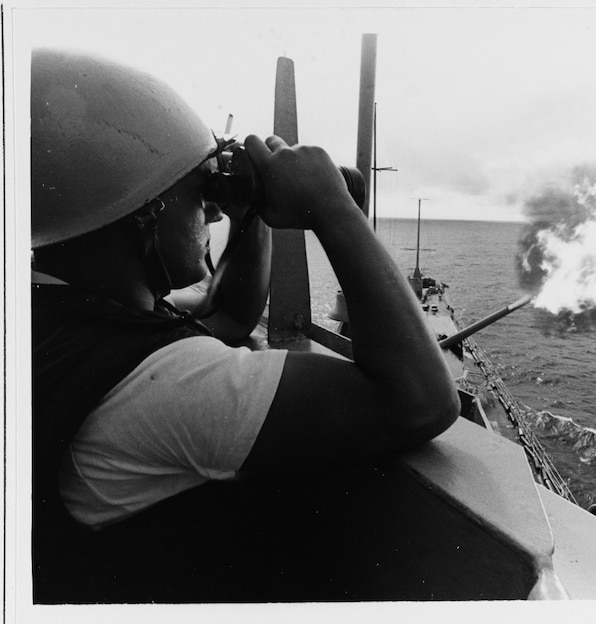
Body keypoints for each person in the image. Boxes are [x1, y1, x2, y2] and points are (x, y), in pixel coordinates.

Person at [30, 48, 460, 602]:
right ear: (144, 214)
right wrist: (332, 207)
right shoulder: (165, 387)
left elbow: (225, 313)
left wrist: (250, 209)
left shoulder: (52, 310)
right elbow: (419, 400)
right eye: (199, 192)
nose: (211, 212)